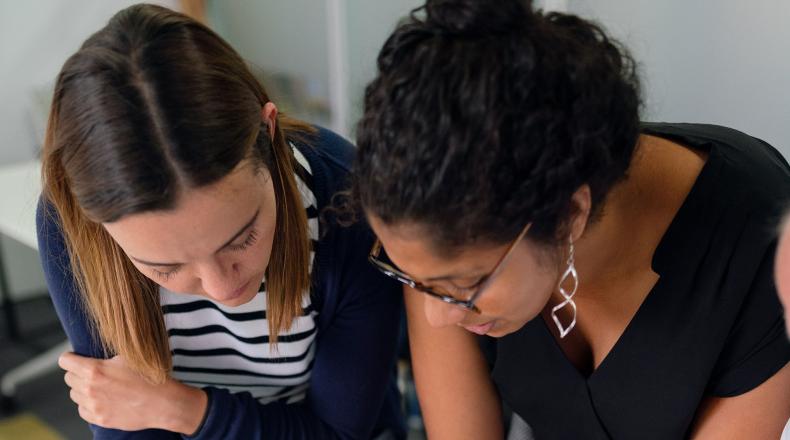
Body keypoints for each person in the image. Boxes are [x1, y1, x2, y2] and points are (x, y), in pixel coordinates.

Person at [350, 0, 790, 438]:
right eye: (411, 277)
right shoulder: (433, 238)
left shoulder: (758, 244)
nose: (435, 317)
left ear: (569, 213)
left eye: (463, 286)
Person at [37, 4, 404, 439]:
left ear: (269, 135)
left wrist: (183, 410)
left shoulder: (345, 200)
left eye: (242, 238)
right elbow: (124, 419)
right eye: (165, 267)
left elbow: (341, 434)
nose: (222, 290)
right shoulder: (70, 226)